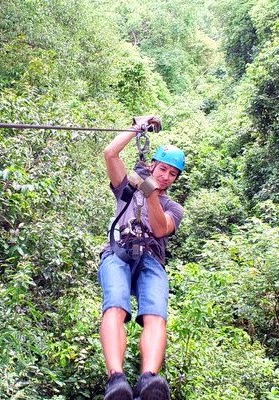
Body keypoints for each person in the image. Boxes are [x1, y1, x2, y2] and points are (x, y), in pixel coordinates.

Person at [99, 116, 185, 400]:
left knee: (156, 316)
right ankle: (117, 379)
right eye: (162, 169)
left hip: (151, 259)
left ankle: (149, 379)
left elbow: (161, 229)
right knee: (116, 307)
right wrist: (136, 128)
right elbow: (111, 153)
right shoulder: (126, 189)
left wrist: (150, 191)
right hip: (119, 251)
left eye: (172, 174)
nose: (166, 176)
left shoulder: (173, 207)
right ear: (153, 166)